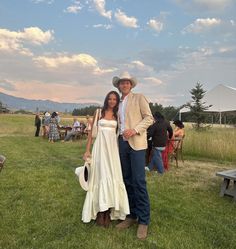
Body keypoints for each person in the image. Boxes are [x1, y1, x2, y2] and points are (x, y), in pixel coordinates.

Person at [112, 72, 154, 240]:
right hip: (121, 144)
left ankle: (144, 220)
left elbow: (149, 118)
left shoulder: (139, 98)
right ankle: (131, 216)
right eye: (122, 82)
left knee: (138, 181)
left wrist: (135, 129)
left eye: (127, 82)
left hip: (136, 144)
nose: (124, 85)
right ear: (118, 85)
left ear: (131, 85)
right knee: (127, 180)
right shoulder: (117, 102)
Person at [82, 91, 129, 227]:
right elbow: (91, 134)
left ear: (117, 101)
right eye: (110, 99)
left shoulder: (118, 116)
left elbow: (120, 134)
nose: (112, 101)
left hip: (112, 151)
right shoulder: (98, 113)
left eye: (115, 99)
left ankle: (108, 211)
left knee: (111, 176)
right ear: (106, 100)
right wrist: (87, 150)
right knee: (100, 176)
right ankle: (100, 212)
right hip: (100, 149)